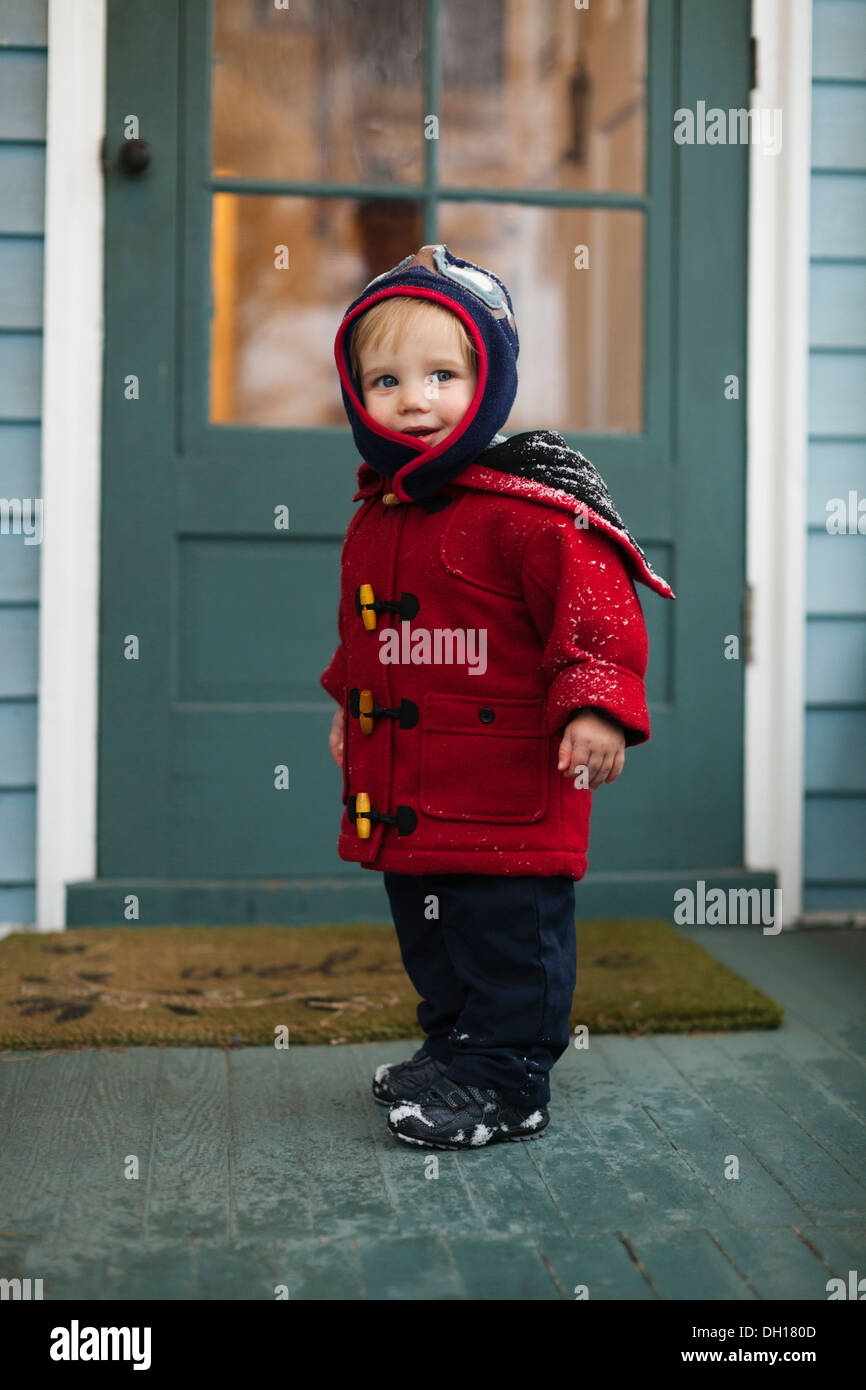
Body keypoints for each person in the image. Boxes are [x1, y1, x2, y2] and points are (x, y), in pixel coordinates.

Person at [320, 244, 674, 1150]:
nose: (416, 398)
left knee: (506, 936)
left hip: (510, 785)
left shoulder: (534, 512)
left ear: (489, 380)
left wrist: (595, 706)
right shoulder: (380, 513)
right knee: (433, 935)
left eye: (444, 373)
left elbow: (596, 622)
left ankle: (507, 1077)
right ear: (358, 396)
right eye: (387, 379)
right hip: (412, 783)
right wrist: (350, 706)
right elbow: (368, 636)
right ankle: (454, 1047)